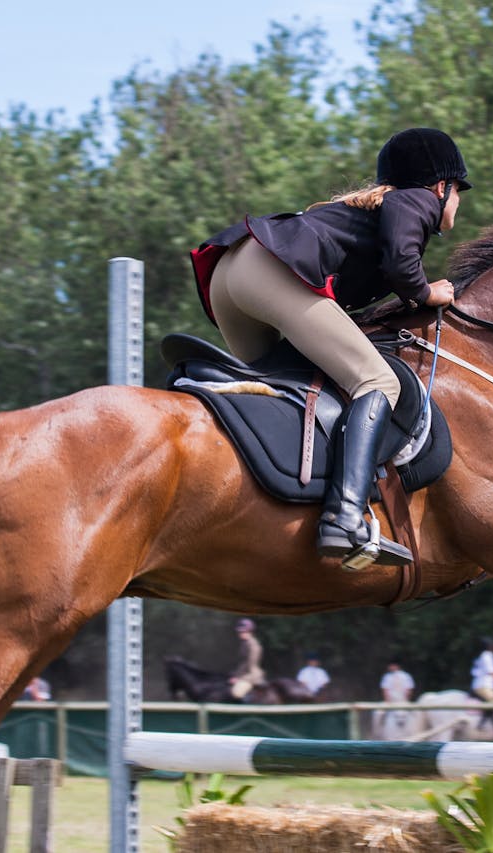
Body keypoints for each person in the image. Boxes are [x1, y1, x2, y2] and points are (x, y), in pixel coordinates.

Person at [192, 127, 470, 568]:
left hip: (231, 275)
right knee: (378, 380)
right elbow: (402, 264)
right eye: (459, 193)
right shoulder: (414, 200)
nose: (458, 203)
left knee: (279, 390)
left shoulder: (367, 211)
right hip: (269, 274)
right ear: (442, 187)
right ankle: (344, 517)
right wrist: (427, 293)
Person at [229, 618, 266, 701]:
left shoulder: (253, 646)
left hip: (251, 676)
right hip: (243, 674)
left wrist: (238, 678)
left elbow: (250, 666)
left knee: (236, 692)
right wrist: (234, 675)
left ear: (250, 631)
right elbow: (241, 664)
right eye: (239, 632)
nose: (240, 633)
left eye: (243, 631)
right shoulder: (244, 643)